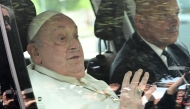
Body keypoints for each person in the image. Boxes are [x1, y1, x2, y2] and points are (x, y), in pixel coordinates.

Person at [26, 10, 154, 109]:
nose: (76, 45)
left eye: (76, 36)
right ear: (35, 52)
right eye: (61, 38)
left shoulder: (67, 76)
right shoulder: (43, 97)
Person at [110, 0, 190, 108]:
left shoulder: (177, 48)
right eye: (164, 15)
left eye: (176, 13)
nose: (175, 21)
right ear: (140, 21)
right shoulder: (128, 68)